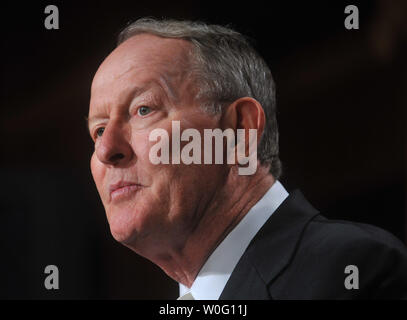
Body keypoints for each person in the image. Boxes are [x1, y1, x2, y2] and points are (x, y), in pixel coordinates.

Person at [87, 18, 407, 299]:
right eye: (98, 130)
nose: (106, 150)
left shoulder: (352, 271)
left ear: (239, 129)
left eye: (143, 109)